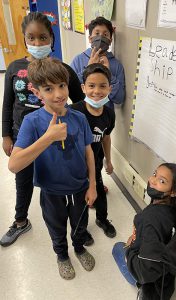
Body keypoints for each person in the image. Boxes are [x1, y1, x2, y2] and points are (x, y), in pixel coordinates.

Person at [8, 57, 97, 280]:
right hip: (52, 192)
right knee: (56, 229)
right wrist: (47, 138)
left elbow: (88, 153)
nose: (58, 94)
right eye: (49, 89)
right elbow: (14, 164)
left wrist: (93, 185)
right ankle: (62, 255)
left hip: (79, 187)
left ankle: (78, 248)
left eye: (62, 86)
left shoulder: (79, 118)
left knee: (80, 224)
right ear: (38, 93)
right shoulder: (32, 121)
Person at [1, 12, 84, 247]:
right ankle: (20, 220)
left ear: (52, 39)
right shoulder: (14, 68)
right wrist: (6, 135)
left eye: (43, 38)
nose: (37, 44)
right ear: (25, 39)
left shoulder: (64, 70)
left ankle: (75, 224)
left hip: (57, 138)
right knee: (23, 179)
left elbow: (79, 104)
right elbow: (7, 104)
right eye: (32, 38)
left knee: (56, 178)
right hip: (23, 135)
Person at [114, 163, 176, 299]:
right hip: (165, 282)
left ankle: (141, 289)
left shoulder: (151, 219)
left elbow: (145, 271)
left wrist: (130, 249)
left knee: (117, 248)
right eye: (155, 174)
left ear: (174, 192)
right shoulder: (175, 210)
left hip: (150, 284)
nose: (152, 180)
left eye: (162, 181)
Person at [71, 63, 116, 245]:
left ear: (109, 88)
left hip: (95, 164)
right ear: (83, 88)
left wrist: (109, 161)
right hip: (74, 167)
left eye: (102, 86)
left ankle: (102, 219)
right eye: (91, 86)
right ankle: (81, 230)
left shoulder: (109, 114)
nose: (97, 91)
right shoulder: (74, 111)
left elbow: (105, 138)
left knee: (99, 192)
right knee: (79, 201)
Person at [70, 16, 125, 110]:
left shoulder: (116, 65)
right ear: (90, 38)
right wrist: (88, 68)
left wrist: (109, 74)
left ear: (110, 41)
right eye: (97, 33)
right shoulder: (78, 60)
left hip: (105, 116)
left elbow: (119, 99)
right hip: (80, 113)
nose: (101, 37)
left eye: (105, 34)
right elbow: (70, 90)